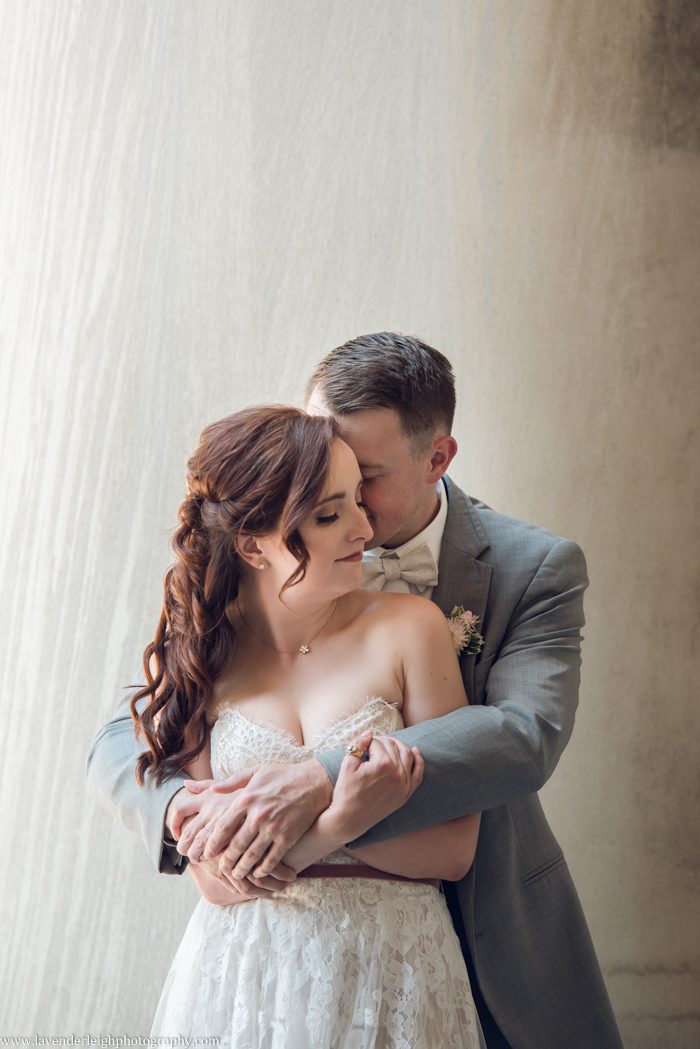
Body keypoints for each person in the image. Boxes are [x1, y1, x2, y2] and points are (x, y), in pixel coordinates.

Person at [87, 333, 624, 1049]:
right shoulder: (241, 600)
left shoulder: (533, 569)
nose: (340, 501)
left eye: (362, 476)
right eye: (318, 467)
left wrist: (319, 779)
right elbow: (129, 730)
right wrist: (184, 807)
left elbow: (523, 736)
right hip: (258, 966)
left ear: (437, 459)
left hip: (475, 929)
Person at [129, 404, 485, 1047]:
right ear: (251, 545)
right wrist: (343, 821)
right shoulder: (203, 653)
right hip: (244, 970)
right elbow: (213, 879)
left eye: (357, 501)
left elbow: (454, 851)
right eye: (328, 515)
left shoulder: (411, 628)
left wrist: (301, 829)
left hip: (392, 962)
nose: (363, 528)